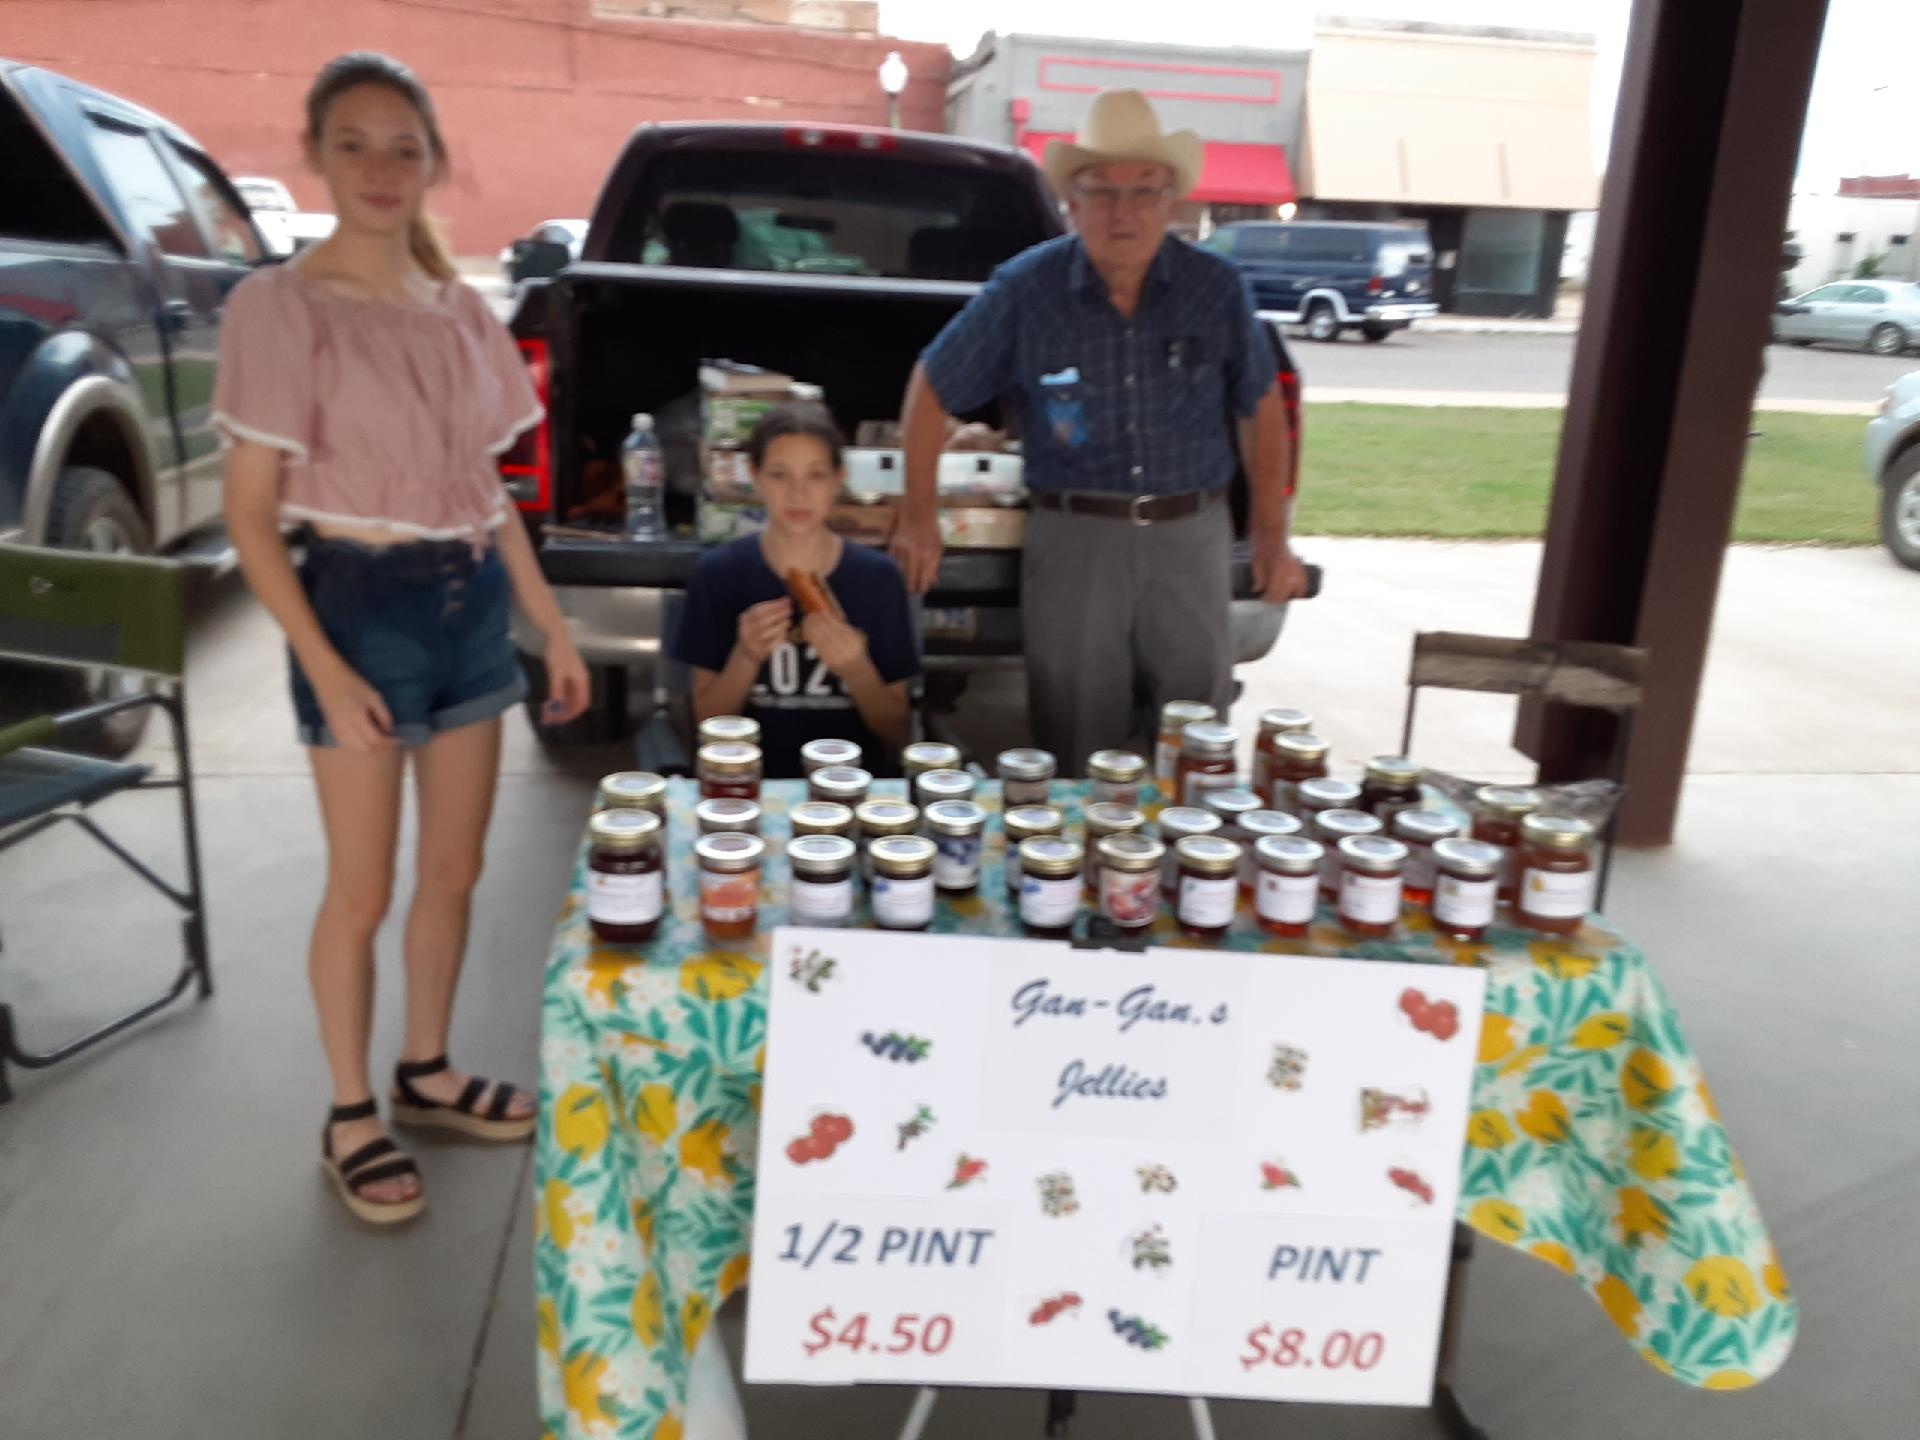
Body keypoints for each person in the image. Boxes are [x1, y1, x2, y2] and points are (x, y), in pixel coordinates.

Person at [214, 53, 591, 1225]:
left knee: (457, 868)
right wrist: (326, 662)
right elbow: (247, 516)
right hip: (356, 603)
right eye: (355, 145)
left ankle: (425, 1072)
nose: (381, 169)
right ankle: (348, 1113)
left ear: (435, 163)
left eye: (403, 147)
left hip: (470, 601)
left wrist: (551, 626)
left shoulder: (462, 315)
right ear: (316, 157)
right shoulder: (280, 307)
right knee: (365, 886)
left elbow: (487, 492)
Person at [893, 88, 1308, 775]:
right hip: (1075, 537)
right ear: (1072, 203)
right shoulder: (1026, 289)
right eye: (1102, 192)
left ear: (1172, 202)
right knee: (1077, 736)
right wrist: (918, 518)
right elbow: (932, 388)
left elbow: (1259, 408)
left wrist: (1269, 535)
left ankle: (1183, 874)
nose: (1124, 211)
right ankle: (1079, 877)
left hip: (1190, 535)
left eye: (1144, 192)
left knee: (1196, 741)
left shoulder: (1217, 287)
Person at [673, 404, 917, 775]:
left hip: (852, 785)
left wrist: (856, 669)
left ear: (839, 479)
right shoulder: (718, 574)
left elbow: (896, 729)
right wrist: (745, 656)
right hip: (748, 784)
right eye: (779, 475)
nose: (798, 493)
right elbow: (707, 725)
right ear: (755, 477)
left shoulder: (878, 578)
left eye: (816, 475)